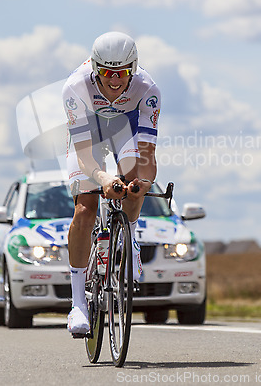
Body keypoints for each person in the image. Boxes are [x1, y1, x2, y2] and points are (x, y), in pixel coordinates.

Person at [62, 31, 160, 335]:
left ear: (133, 68)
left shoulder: (148, 89)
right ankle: (78, 303)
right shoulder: (74, 87)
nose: (115, 80)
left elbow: (147, 153)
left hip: (124, 131)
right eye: (106, 72)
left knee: (134, 179)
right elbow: (83, 154)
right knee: (85, 208)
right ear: (95, 69)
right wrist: (103, 178)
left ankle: (129, 236)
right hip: (89, 138)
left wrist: (143, 182)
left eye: (122, 73)